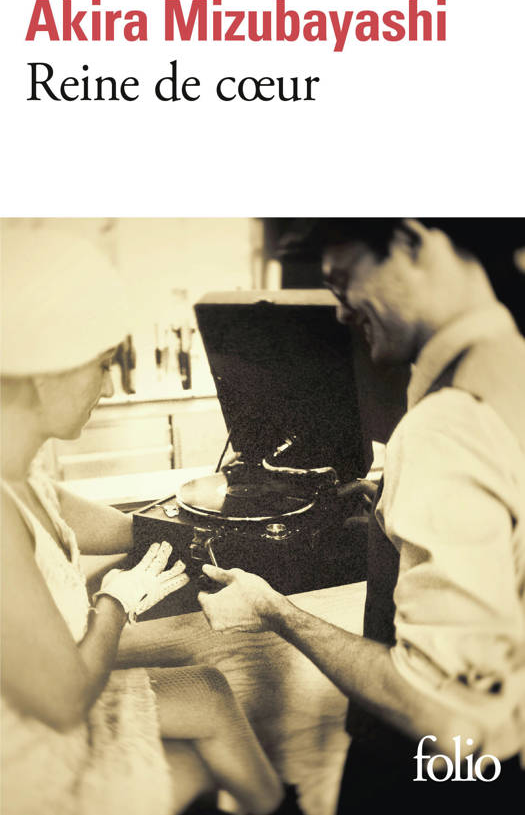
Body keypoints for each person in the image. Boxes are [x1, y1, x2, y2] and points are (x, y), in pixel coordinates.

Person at [198, 218, 525, 803]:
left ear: (411, 240)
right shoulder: (508, 369)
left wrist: (273, 610)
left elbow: (448, 719)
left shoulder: (447, 425)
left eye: (343, 280)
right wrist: (389, 509)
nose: (342, 312)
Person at [0, 229, 290, 815]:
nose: (108, 387)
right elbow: (65, 702)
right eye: (102, 364)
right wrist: (116, 602)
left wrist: (220, 522)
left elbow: (125, 529)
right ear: (42, 372)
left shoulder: (22, 477)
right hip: (27, 757)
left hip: (37, 716)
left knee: (206, 691)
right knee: (195, 767)